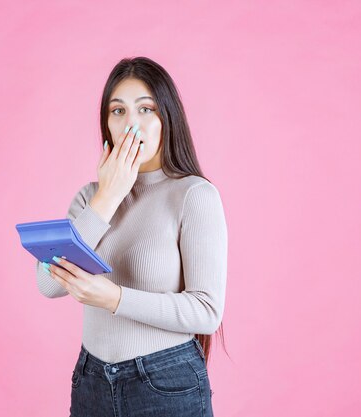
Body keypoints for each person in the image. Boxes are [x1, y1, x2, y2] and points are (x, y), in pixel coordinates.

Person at [35, 56, 228, 417]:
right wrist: (108, 197)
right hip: (91, 381)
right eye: (118, 111)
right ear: (106, 123)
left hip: (164, 383)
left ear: (166, 118)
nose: (131, 125)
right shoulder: (89, 198)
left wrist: (115, 298)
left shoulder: (193, 195)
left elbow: (206, 311)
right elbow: (48, 283)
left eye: (146, 109)